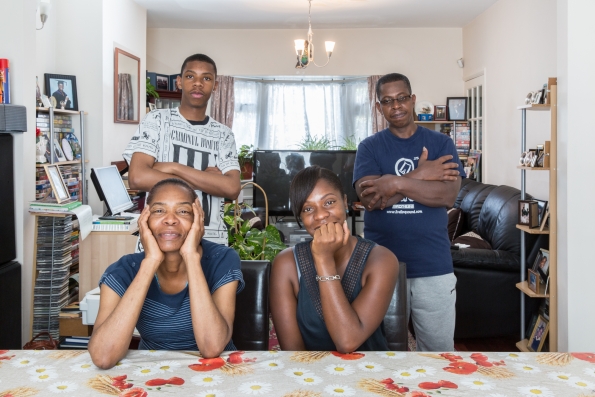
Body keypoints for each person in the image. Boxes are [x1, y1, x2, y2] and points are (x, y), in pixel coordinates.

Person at [353, 73, 465, 351]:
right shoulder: (370, 147)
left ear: (413, 100)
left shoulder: (441, 144)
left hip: (434, 264)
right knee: (383, 351)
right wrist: (422, 175)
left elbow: (447, 196)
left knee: (438, 353)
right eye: (387, 101)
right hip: (382, 266)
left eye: (402, 98)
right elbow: (371, 201)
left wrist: (394, 182)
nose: (396, 106)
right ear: (379, 107)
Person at [88, 178, 244, 369]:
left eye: (183, 211)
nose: (170, 219)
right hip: (152, 370)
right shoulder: (123, 270)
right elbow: (103, 357)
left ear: (198, 219)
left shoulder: (222, 259)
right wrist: (150, 262)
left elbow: (211, 347)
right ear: (144, 219)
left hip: (217, 371)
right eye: (159, 211)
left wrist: (191, 256)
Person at [270, 165, 399, 352]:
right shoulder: (286, 264)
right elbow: (293, 354)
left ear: (345, 202)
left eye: (329, 202)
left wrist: (323, 259)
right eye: (308, 208)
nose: (320, 215)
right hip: (308, 375)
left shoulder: (381, 260)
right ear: (300, 216)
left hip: (369, 375)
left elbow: (347, 341)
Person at [124, 53, 241, 246]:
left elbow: (232, 188)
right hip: (160, 239)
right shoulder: (156, 120)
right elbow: (137, 177)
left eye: (206, 78)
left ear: (215, 85)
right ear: (179, 82)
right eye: (190, 76)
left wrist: (173, 167)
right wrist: (209, 180)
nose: (197, 83)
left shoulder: (224, 134)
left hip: (211, 241)